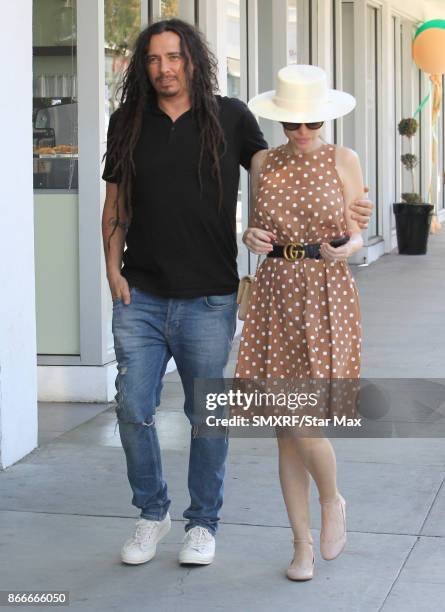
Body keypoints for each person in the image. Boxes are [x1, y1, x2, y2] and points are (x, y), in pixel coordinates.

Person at [101, 19, 373, 568]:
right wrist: (113, 272)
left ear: (194, 60)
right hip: (161, 294)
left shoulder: (233, 117)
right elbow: (117, 205)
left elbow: (305, 190)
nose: (164, 68)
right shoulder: (128, 122)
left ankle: (208, 522)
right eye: (153, 59)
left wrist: (351, 225)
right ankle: (154, 513)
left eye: (174, 57)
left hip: (229, 296)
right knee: (134, 408)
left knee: (219, 416)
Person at [235, 64, 364, 581]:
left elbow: (356, 234)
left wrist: (347, 249)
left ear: (325, 119)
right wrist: (250, 237)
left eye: (311, 124)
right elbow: (254, 226)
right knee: (285, 430)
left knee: (303, 421)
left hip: (326, 290)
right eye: (293, 125)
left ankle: (332, 500)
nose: (303, 134)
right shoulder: (263, 162)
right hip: (275, 292)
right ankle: (301, 546)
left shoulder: (344, 159)